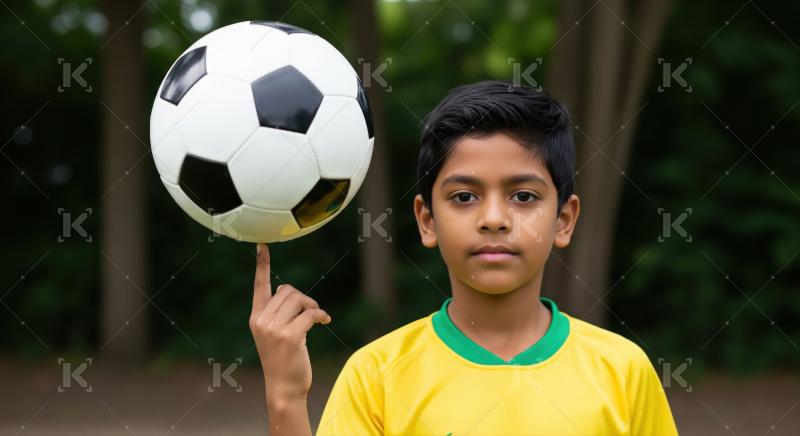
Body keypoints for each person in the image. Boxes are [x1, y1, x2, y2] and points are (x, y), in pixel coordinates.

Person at [249, 80, 679, 435]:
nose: (494, 218)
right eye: (464, 196)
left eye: (523, 196)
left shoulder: (623, 371)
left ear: (563, 220)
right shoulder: (376, 375)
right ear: (427, 220)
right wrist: (286, 397)